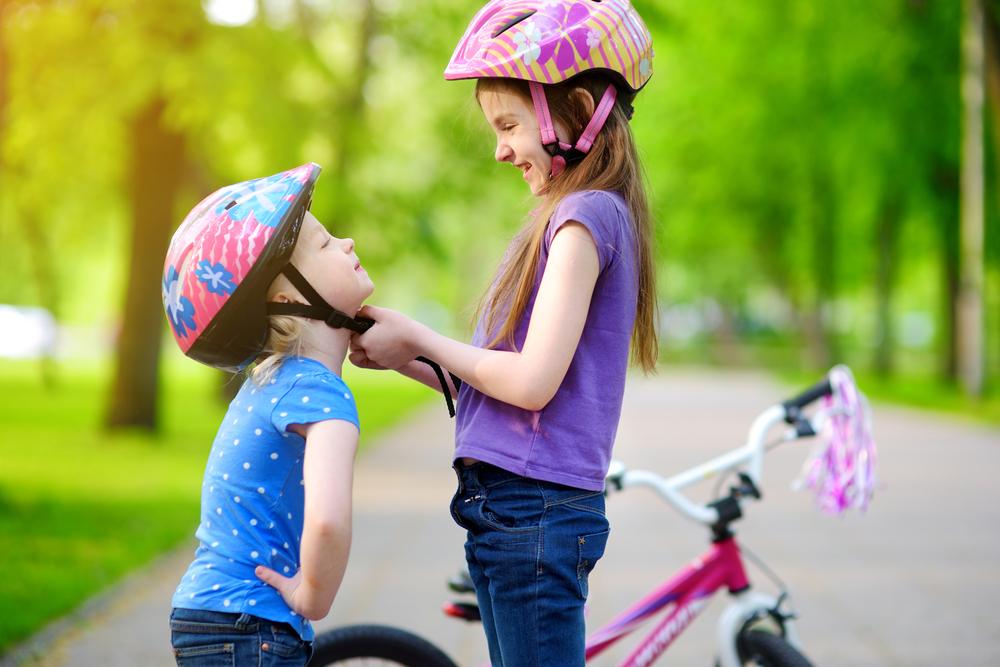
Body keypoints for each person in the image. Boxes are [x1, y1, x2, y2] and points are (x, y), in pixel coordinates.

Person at [348, 1, 658, 664]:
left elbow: (531, 382)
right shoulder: (574, 215)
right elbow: (497, 383)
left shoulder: (584, 217)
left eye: (509, 124)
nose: (499, 148)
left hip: (533, 512)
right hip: (511, 507)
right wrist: (404, 352)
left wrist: (423, 336)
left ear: (574, 108)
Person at [162, 163, 375, 666]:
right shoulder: (318, 393)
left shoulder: (275, 380)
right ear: (289, 299)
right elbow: (327, 521)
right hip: (250, 623)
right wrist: (313, 597)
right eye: (324, 245)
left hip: (213, 613)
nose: (345, 242)